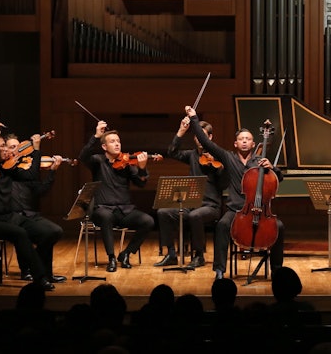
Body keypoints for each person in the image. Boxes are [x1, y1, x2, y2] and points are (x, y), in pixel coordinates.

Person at [185, 105, 285, 280]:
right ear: (235, 143)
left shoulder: (260, 162)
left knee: (280, 227)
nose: (244, 141)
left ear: (254, 144)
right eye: (241, 139)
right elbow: (206, 142)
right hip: (235, 210)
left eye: (248, 139)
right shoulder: (228, 157)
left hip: (260, 210)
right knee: (222, 226)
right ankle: (219, 271)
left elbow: (280, 178)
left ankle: (277, 269)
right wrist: (194, 119)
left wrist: (273, 168)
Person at [78, 120, 155, 272]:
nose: (117, 144)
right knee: (106, 217)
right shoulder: (98, 161)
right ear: (104, 147)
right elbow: (83, 156)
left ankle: (126, 253)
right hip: (102, 209)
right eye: (112, 141)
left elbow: (141, 184)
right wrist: (96, 135)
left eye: (118, 141)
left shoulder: (126, 163)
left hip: (124, 211)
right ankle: (111, 258)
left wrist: (142, 168)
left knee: (148, 221)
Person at [154, 117, 227, 269]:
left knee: (195, 216)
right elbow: (172, 152)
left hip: (211, 206)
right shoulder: (192, 155)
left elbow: (224, 184)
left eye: (204, 136)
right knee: (163, 212)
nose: (200, 140)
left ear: (210, 137)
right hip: (191, 203)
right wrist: (181, 131)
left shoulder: (220, 156)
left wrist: (220, 168)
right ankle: (171, 254)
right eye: (197, 136)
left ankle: (199, 256)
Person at [0, 122, 55, 291]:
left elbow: (31, 177)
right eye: (1, 147)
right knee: (20, 234)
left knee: (49, 232)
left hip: (9, 217)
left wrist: (35, 151)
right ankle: (40, 277)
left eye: (6, 147)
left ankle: (43, 271)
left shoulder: (8, 169)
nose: (7, 150)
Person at [3, 133, 66, 283]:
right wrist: (36, 149)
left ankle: (42, 270)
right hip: (12, 215)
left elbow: (41, 190)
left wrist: (52, 171)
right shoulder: (5, 167)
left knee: (54, 232)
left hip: (29, 214)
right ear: (3, 150)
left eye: (18, 147)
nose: (16, 151)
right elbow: (31, 174)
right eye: (12, 147)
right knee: (25, 233)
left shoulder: (24, 168)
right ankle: (29, 270)